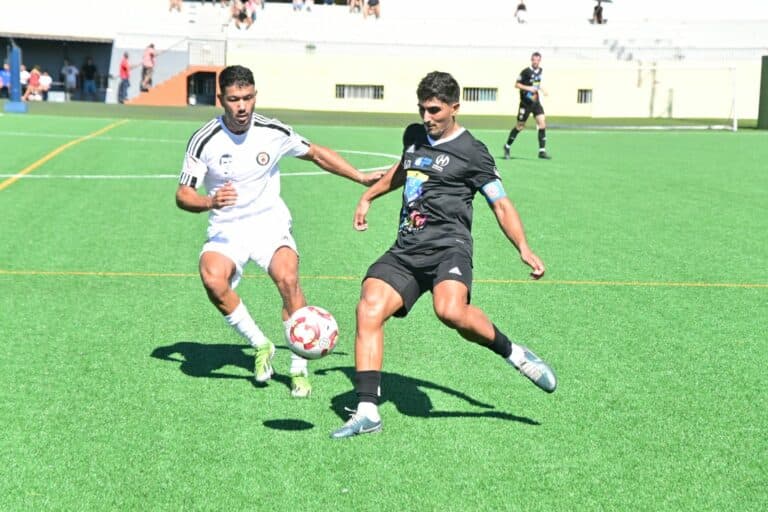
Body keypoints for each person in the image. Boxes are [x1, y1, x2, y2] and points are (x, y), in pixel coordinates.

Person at [330, 71, 557, 439]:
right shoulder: (416, 136)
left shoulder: (473, 152)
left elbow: (500, 204)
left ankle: (513, 352)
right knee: (369, 306)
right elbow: (404, 168)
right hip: (406, 247)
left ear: (455, 107)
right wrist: (368, 196)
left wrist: (523, 248)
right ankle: (368, 411)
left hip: (449, 246)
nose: (427, 118)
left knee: (449, 311)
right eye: (422, 109)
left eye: (435, 110)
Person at [175, 65, 382, 398]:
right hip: (227, 227)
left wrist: (358, 176)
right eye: (233, 100)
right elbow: (183, 195)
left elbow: (315, 153)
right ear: (220, 100)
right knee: (213, 279)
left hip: (269, 223)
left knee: (288, 279)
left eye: (247, 98)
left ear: (255, 96)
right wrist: (209, 201)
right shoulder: (204, 139)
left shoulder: (272, 130)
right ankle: (261, 344)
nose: (241, 107)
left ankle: (299, 369)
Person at [503, 51, 551, 160]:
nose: (536, 62)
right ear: (531, 60)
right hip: (525, 103)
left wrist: (543, 90)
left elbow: (537, 84)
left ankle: (542, 151)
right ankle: (507, 146)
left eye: (538, 60)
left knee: (542, 123)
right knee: (520, 126)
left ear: (540, 61)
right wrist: (528, 88)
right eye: (534, 60)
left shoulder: (540, 71)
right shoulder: (525, 71)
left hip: (536, 102)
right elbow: (516, 84)